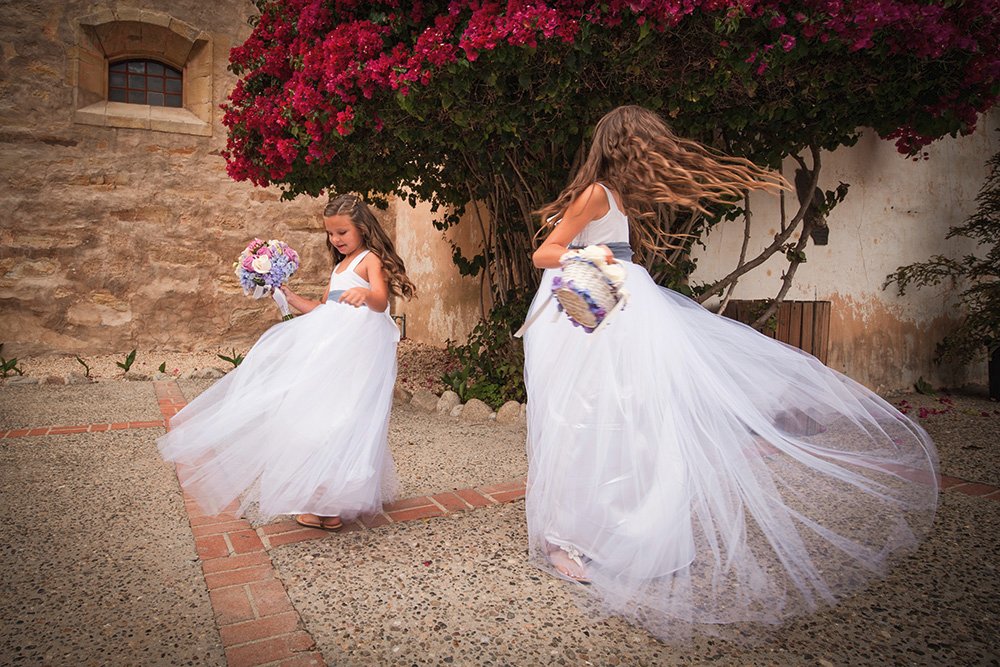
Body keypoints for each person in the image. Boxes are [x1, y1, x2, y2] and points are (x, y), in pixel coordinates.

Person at [521, 105, 938, 640]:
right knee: (583, 422)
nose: (658, 156)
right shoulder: (596, 193)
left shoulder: (619, 195)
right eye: (649, 146)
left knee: (637, 420)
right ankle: (566, 539)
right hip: (586, 315)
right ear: (628, 147)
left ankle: (624, 528)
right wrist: (598, 256)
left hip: (620, 312)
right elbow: (543, 253)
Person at [158, 194, 415, 531]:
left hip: (351, 356)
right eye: (331, 234)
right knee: (318, 419)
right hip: (328, 350)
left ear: (363, 229)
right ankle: (327, 503)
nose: (336, 240)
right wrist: (286, 294)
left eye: (342, 233)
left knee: (340, 418)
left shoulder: (369, 260)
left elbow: (381, 302)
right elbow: (322, 309)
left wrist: (365, 294)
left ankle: (328, 502)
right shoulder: (339, 268)